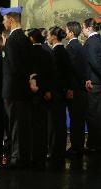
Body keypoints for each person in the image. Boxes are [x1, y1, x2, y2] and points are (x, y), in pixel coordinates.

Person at [0, 6, 33, 169]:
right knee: (22, 124)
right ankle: (23, 156)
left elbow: (14, 68)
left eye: (4, 19)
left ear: (11, 20)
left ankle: (17, 158)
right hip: (22, 90)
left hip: (13, 91)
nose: (3, 22)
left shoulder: (12, 41)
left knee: (15, 125)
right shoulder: (25, 39)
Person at [27, 28, 54, 167]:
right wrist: (47, 90)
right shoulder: (47, 53)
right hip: (44, 94)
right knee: (42, 125)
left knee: (30, 125)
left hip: (29, 95)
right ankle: (41, 154)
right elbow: (50, 74)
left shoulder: (27, 54)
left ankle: (31, 154)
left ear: (31, 38)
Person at [47, 26, 73, 161]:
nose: (47, 37)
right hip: (61, 92)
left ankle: (55, 150)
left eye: (49, 34)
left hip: (56, 92)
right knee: (60, 122)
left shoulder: (56, 52)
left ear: (54, 36)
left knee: (55, 123)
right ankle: (59, 149)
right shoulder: (62, 50)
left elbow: (55, 75)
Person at [65, 21, 88, 155]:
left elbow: (73, 71)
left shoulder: (72, 47)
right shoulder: (79, 46)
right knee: (78, 119)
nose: (65, 33)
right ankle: (77, 146)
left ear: (71, 33)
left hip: (76, 90)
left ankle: (76, 147)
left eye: (66, 31)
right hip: (80, 89)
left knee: (75, 119)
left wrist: (71, 89)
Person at [82, 18, 101, 153]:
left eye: (83, 27)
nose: (82, 30)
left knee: (94, 115)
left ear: (89, 28)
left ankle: (94, 144)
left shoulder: (91, 42)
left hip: (94, 84)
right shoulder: (97, 40)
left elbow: (94, 63)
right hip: (95, 82)